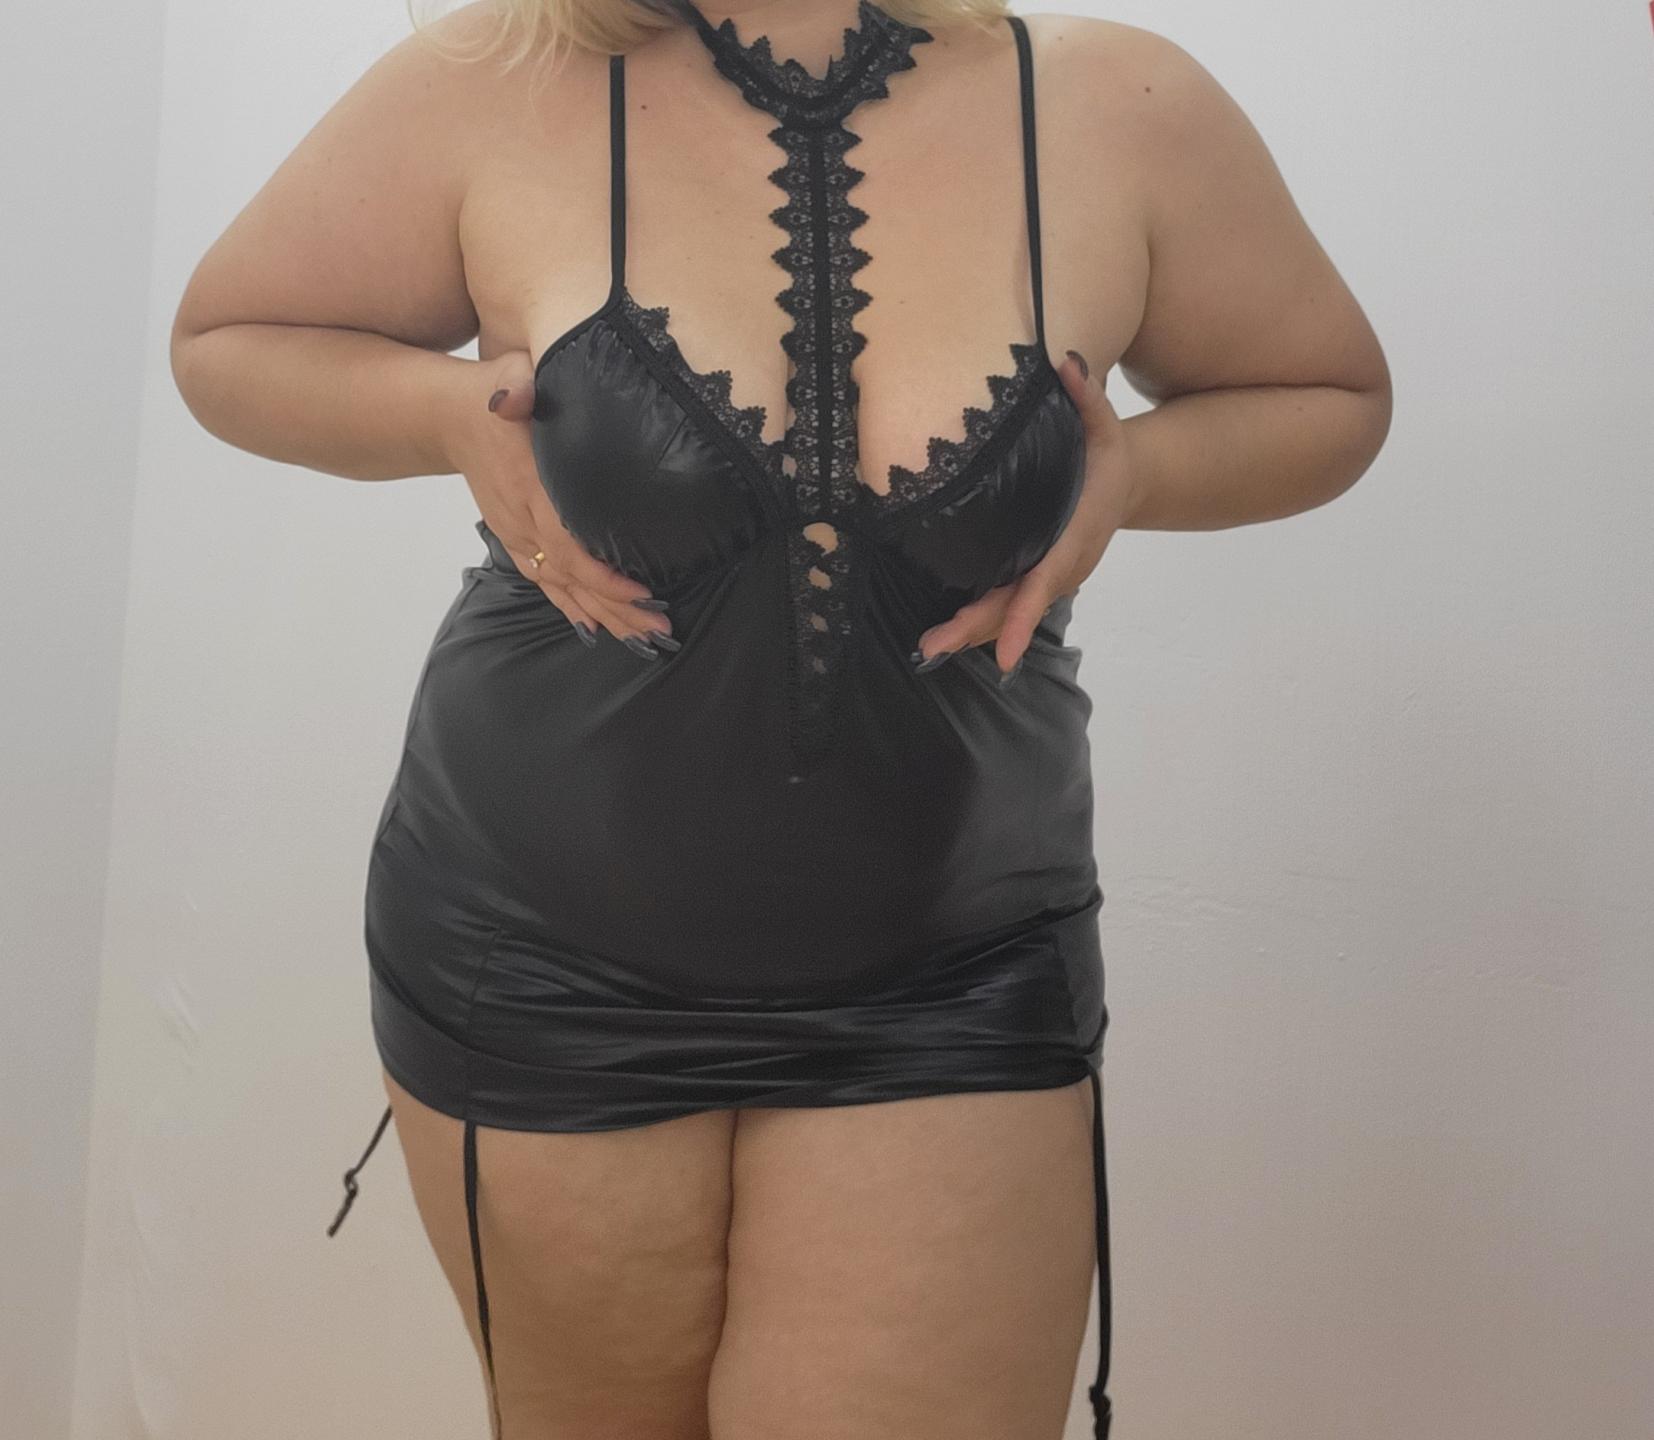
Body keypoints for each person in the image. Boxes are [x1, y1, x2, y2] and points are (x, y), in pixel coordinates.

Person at [170, 0, 1391, 1435]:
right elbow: (228, 341)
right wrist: (438, 410)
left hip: (956, 967)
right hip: (540, 954)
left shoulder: (1116, 100)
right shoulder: (497, 72)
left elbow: (1327, 393)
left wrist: (1140, 476)